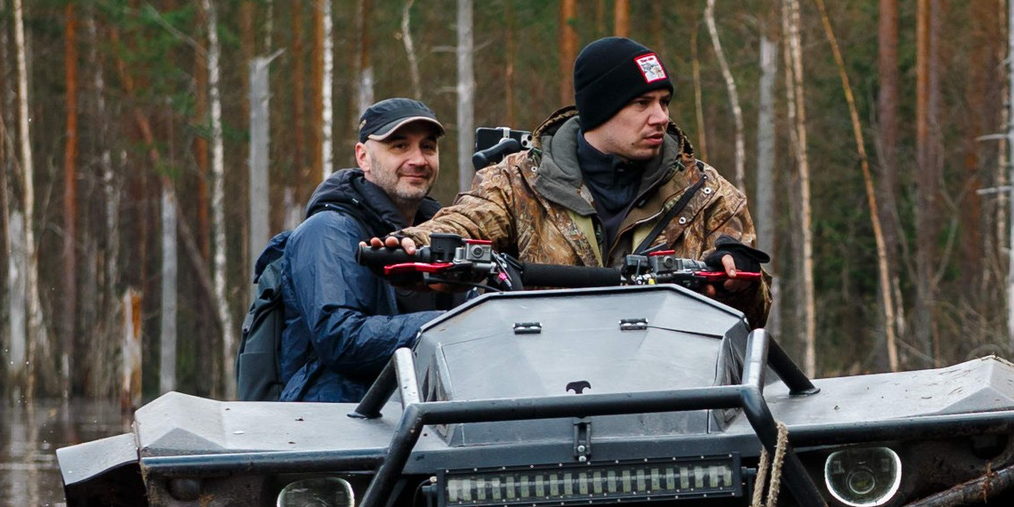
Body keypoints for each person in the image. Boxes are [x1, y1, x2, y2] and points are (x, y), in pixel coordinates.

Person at [409, 37, 767, 319]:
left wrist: (741, 281)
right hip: (544, 391)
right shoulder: (515, 181)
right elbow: (467, 221)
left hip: (672, 393)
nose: (660, 117)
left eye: (664, 102)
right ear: (600, 110)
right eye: (642, 103)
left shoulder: (709, 195)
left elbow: (755, 314)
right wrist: (412, 243)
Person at [275, 98, 449, 403]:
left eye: (428, 147)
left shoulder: (442, 234)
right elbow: (340, 337)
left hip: (412, 417)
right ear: (363, 158)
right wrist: (453, 325)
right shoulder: (328, 230)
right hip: (332, 425)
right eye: (399, 146)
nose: (418, 160)